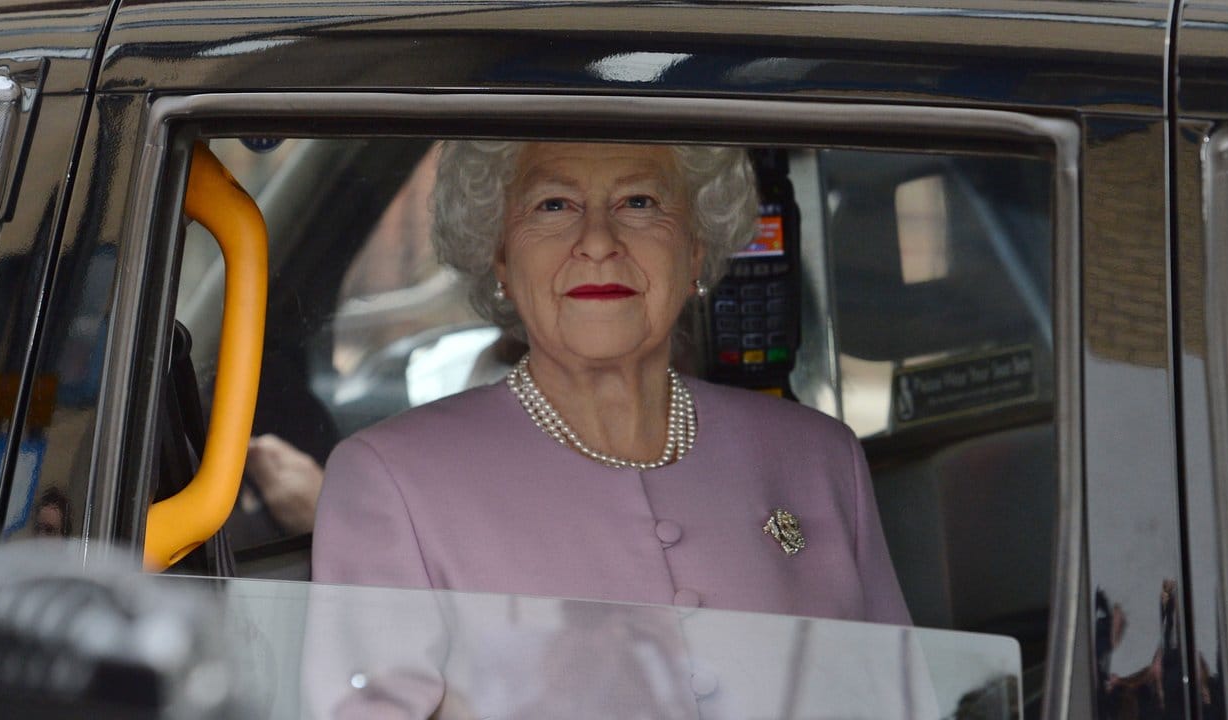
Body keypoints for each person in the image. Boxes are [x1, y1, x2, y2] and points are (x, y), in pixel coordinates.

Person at [312, 141, 909, 624]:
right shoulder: (392, 479)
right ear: (500, 257)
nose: (598, 241)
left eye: (640, 202)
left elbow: (897, 699)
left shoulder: (820, 457)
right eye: (553, 205)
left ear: (696, 249)